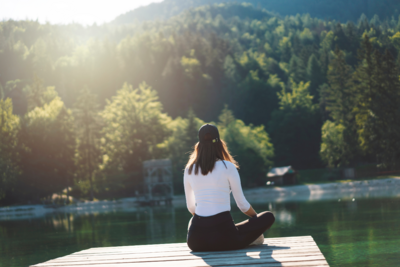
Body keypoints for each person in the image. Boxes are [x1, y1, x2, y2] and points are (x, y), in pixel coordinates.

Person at [184, 123, 275, 252]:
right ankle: (245, 233)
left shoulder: (189, 169)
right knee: (268, 217)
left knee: (192, 221)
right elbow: (242, 205)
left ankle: (215, 232)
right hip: (226, 239)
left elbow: (191, 207)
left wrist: (206, 223)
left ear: (199, 145)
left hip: (196, 241)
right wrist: (256, 219)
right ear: (220, 143)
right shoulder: (227, 167)